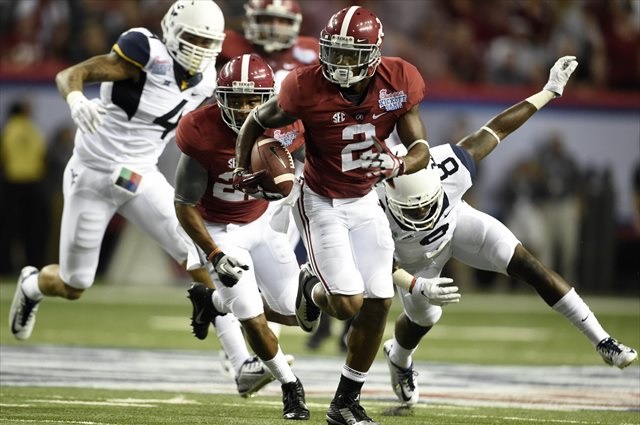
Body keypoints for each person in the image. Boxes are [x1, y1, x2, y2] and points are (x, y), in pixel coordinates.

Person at [378, 56, 638, 406]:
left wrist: (549, 92)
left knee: (529, 265)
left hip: (456, 223)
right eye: (414, 208)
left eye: (426, 202)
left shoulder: (448, 167)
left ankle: (603, 340)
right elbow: (374, 261)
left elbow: (496, 129)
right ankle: (400, 359)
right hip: (411, 261)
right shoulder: (371, 203)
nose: (423, 211)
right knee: (424, 317)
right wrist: (415, 283)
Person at [234, 6, 431, 425]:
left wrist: (398, 166)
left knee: (378, 301)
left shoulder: (399, 80)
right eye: (334, 52)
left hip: (365, 198)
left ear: (373, 54)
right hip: (321, 198)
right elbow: (255, 120)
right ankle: (312, 290)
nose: (339, 63)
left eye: (350, 54)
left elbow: (420, 150)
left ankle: (345, 403)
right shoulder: (304, 86)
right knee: (346, 303)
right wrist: (241, 167)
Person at [8, 0, 226, 341]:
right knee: (74, 282)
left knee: (199, 252)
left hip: (137, 176)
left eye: (206, 42)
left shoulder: (206, 80)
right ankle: (33, 284)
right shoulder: (145, 53)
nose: (198, 50)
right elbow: (70, 75)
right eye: (192, 39)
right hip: (92, 173)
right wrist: (77, 99)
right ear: (172, 30)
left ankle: (242, 358)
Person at [174, 53, 309, 420]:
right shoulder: (201, 130)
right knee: (250, 314)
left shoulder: (287, 124)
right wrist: (214, 253)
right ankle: (290, 386)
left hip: (261, 223)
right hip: (218, 229)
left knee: (298, 315)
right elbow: (184, 204)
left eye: (255, 99)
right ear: (220, 97)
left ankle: (213, 303)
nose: (247, 107)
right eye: (237, 99)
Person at [0, 99, 48, 273]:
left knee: (8, 230)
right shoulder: (32, 129)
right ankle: (34, 265)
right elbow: (42, 154)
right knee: (34, 229)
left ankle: (5, 267)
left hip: (13, 184)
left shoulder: (8, 129)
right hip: (32, 183)